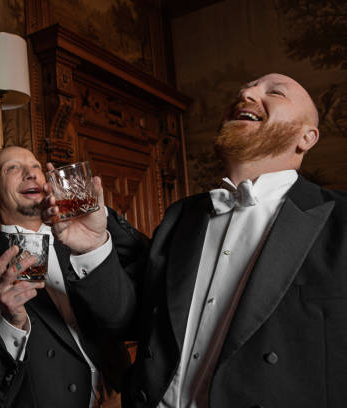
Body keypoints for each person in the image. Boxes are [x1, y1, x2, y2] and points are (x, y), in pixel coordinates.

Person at [43, 73, 347, 408]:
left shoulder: (340, 221)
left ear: (306, 137)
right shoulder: (180, 217)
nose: (246, 92)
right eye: (245, 88)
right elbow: (130, 321)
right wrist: (93, 246)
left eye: (274, 92)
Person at [0, 146, 146, 408]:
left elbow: (129, 313)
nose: (30, 174)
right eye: (12, 168)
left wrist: (94, 237)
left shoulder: (82, 240)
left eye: (35, 167)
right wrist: (10, 322)